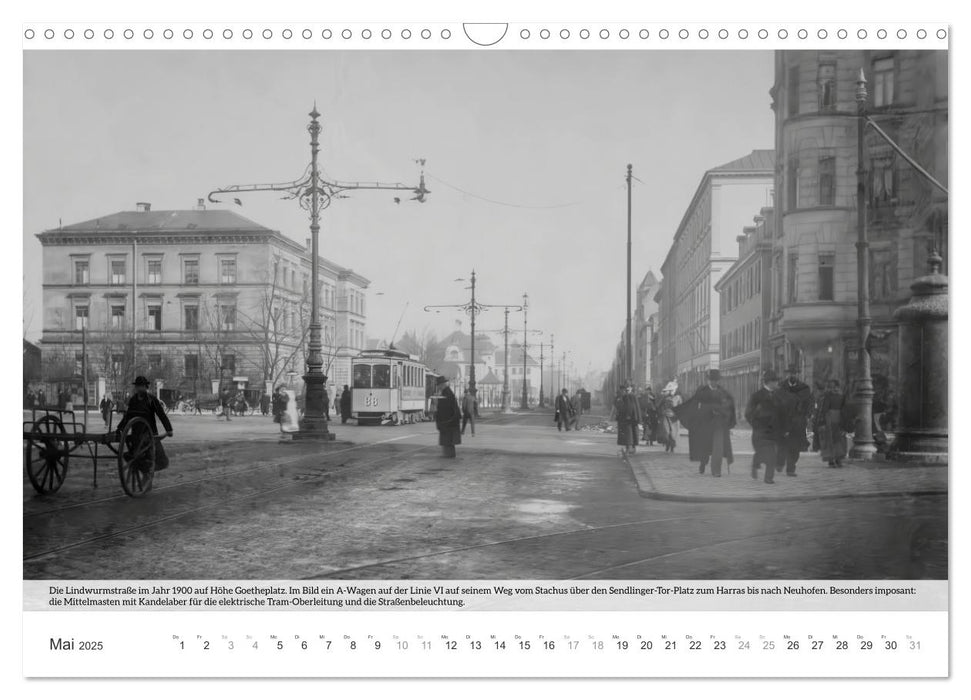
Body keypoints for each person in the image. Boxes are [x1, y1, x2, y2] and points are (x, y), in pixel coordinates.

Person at [676, 369, 736, 477]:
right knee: (705, 447)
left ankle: (716, 470)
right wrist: (677, 411)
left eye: (716, 380)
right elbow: (692, 404)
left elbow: (729, 406)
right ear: (708, 380)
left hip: (718, 424)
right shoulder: (702, 392)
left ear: (718, 381)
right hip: (705, 424)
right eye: (712, 380)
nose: (714, 382)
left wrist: (725, 413)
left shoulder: (723, 392)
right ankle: (703, 463)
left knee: (718, 447)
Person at [116, 376, 173, 471]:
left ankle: (148, 470)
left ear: (146, 387)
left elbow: (161, 415)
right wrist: (120, 429)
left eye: (142, 386)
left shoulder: (152, 400)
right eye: (138, 386)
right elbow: (127, 416)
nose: (140, 388)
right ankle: (145, 470)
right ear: (136, 387)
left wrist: (169, 429)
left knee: (162, 462)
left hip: (150, 434)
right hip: (136, 434)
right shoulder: (133, 400)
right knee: (135, 456)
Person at [745, 368, 784, 484]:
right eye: (775, 381)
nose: (777, 383)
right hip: (761, 431)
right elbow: (748, 413)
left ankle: (759, 467)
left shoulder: (778, 396)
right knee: (768, 454)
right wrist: (756, 425)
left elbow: (782, 413)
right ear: (769, 382)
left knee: (771, 453)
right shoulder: (757, 396)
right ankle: (768, 477)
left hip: (774, 431)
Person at [775, 364, 812, 477]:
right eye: (791, 373)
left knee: (795, 446)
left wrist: (807, 416)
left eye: (795, 373)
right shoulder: (781, 387)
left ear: (798, 374)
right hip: (783, 420)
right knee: (782, 445)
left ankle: (791, 468)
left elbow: (808, 403)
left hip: (797, 421)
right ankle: (780, 462)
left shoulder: (804, 388)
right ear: (787, 374)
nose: (793, 375)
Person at [815, 379, 848, 467]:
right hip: (829, 418)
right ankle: (831, 459)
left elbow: (845, 407)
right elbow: (824, 409)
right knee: (830, 439)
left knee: (839, 439)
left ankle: (838, 459)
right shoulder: (827, 396)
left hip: (839, 418)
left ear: (838, 387)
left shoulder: (842, 396)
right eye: (831, 387)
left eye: (835, 387)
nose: (833, 388)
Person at [434, 377, 461, 458]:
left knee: (447, 440)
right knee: (449, 441)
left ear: (441, 385)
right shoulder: (447, 392)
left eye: (438, 385)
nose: (437, 387)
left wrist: (436, 403)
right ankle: (449, 455)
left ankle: (448, 456)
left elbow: (443, 409)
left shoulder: (446, 393)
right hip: (451, 421)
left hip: (448, 422)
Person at [614, 381, 642, 456]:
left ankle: (632, 448)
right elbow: (619, 406)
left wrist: (637, 418)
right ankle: (628, 449)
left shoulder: (633, 396)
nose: (627, 389)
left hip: (632, 419)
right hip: (625, 419)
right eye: (626, 388)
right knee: (628, 435)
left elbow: (636, 408)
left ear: (631, 388)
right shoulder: (623, 396)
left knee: (632, 434)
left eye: (629, 387)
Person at [656, 380, 682, 453]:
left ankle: (672, 446)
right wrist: (662, 412)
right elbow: (658, 406)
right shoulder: (664, 398)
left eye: (672, 390)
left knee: (673, 433)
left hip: (674, 418)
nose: (671, 392)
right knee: (666, 432)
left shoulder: (678, 398)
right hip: (666, 417)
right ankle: (667, 444)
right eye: (670, 390)